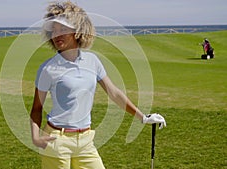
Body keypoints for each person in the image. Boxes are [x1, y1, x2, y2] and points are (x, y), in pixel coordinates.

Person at [30, 1, 166, 169]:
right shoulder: (48, 69)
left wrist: (143, 117)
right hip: (57, 140)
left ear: (77, 31)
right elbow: (36, 108)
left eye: (63, 29)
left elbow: (114, 93)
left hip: (85, 140)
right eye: (54, 30)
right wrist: (36, 138)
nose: (57, 34)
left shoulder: (92, 61)